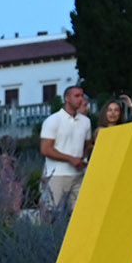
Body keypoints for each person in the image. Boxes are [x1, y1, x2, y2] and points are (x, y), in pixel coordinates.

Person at [39, 85, 92, 214]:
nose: (80, 99)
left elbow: (87, 144)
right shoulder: (53, 120)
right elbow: (45, 149)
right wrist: (71, 159)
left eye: (82, 96)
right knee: (50, 214)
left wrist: (82, 159)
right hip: (56, 175)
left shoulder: (86, 121)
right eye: (77, 96)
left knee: (80, 213)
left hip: (78, 175)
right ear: (67, 98)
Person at [86, 93, 132, 159]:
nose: (113, 113)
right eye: (110, 110)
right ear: (105, 113)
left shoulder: (123, 129)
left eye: (116, 110)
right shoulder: (100, 130)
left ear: (120, 113)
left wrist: (131, 105)